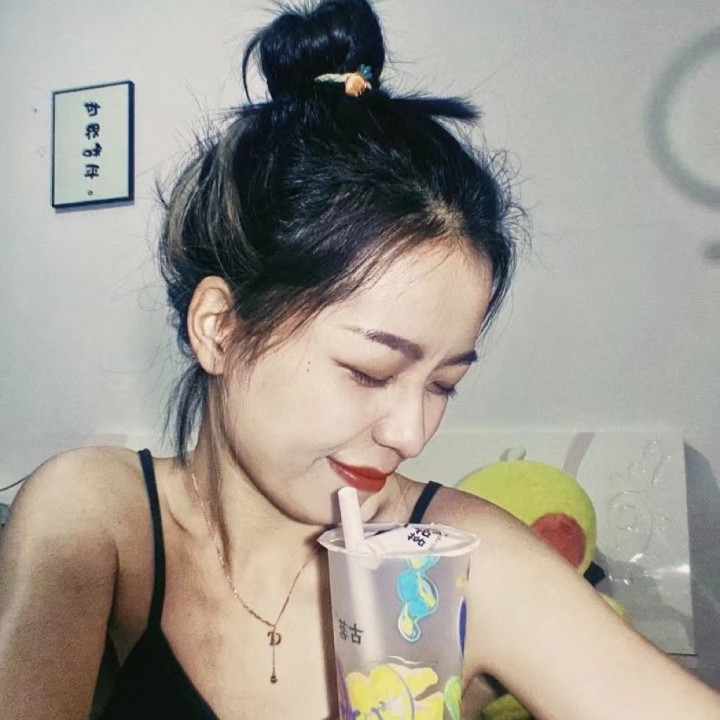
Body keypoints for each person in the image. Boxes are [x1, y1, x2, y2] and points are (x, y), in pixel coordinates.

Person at [1, 1, 719, 718]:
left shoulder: (454, 562)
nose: (411, 434)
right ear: (220, 328)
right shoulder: (98, 519)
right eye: (369, 371)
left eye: (445, 383)